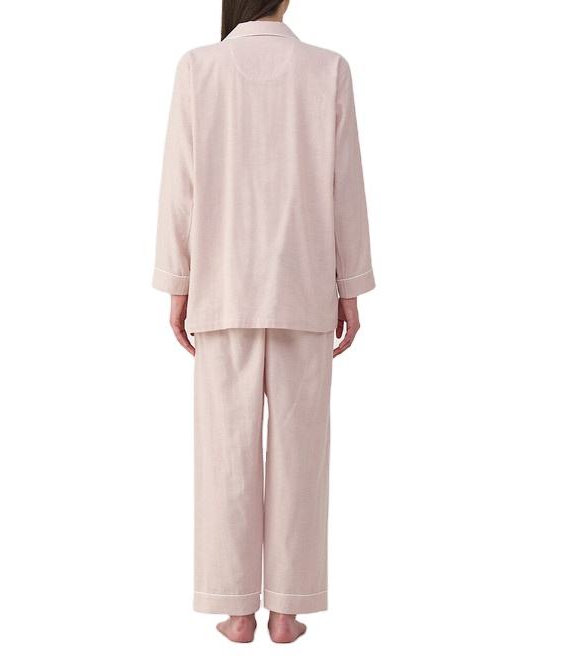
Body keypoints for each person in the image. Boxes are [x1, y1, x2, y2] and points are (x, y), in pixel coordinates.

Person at [152, 0, 375, 644]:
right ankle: (287, 611)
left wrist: (177, 282)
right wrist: (350, 286)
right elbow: (346, 185)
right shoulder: (328, 69)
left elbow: (180, 186)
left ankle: (236, 610)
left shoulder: (198, 68)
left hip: (222, 287)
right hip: (305, 285)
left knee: (225, 452)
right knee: (303, 452)